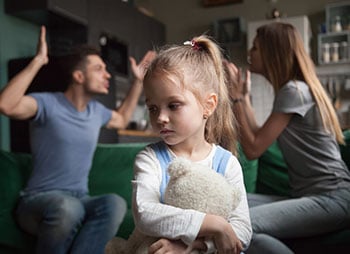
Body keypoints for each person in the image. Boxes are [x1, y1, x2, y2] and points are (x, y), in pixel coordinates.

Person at [0, 26, 156, 254]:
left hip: (80, 200)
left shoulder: (96, 111)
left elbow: (122, 119)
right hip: (38, 201)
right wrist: (38, 61)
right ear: (79, 76)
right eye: (99, 69)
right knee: (68, 208)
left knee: (114, 204)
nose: (108, 75)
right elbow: (6, 104)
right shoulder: (47, 104)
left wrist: (138, 82)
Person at [224, 22, 350, 253]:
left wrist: (236, 100)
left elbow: (253, 149)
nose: (250, 53)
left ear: (273, 53)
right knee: (227, 202)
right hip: (310, 196)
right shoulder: (291, 90)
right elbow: (256, 133)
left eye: (255, 48)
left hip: (333, 199)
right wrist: (242, 96)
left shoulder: (294, 90)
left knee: (238, 226)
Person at [131, 35, 252, 254]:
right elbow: (144, 212)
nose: (161, 118)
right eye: (153, 108)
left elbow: (242, 231)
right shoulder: (150, 159)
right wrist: (215, 224)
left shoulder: (227, 163)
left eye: (174, 105)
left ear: (208, 105)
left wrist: (193, 246)